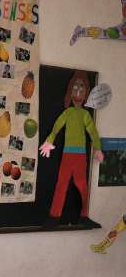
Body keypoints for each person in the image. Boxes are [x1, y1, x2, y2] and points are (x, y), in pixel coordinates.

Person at [40, 71, 103, 225]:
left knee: (82, 186)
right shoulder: (67, 112)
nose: (78, 90)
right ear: (70, 90)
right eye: (75, 87)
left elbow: (93, 132)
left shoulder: (85, 115)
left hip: (80, 156)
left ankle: (83, 215)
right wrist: (49, 140)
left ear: (86, 92)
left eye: (81, 87)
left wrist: (97, 148)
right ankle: (54, 216)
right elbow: (57, 126)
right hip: (67, 155)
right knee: (61, 184)